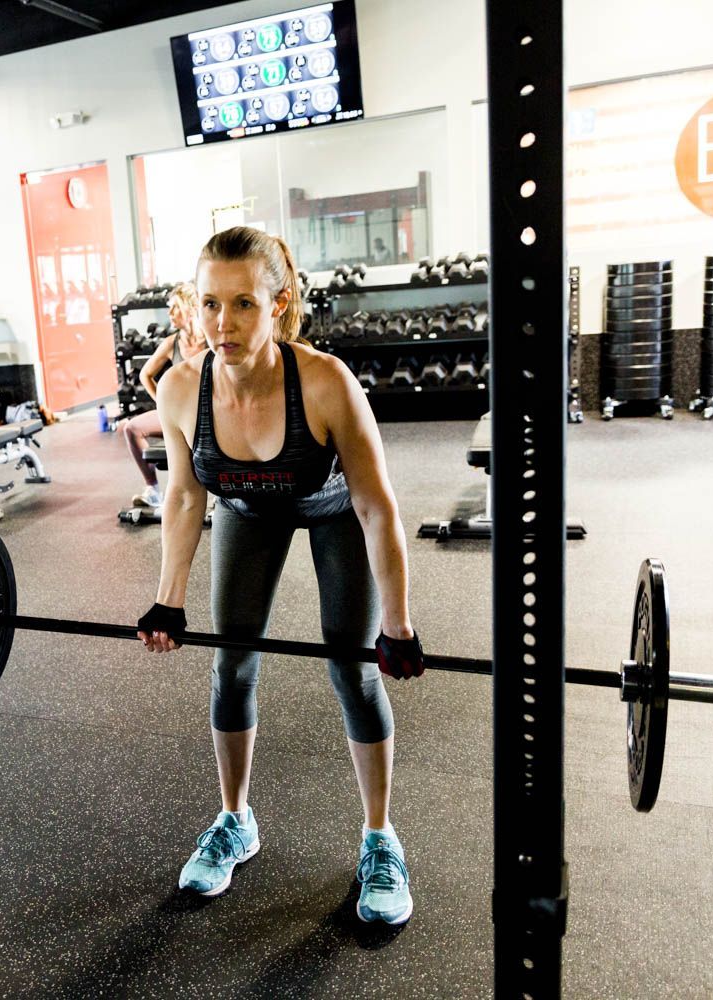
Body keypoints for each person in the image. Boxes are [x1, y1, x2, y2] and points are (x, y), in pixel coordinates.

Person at [135, 226, 425, 924]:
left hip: (331, 510)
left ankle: (380, 838)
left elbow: (376, 504)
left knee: (352, 667)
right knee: (231, 665)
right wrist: (167, 601)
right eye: (209, 304)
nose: (222, 324)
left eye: (242, 304)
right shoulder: (181, 389)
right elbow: (182, 497)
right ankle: (235, 819)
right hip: (245, 509)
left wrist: (398, 624)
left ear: (279, 304)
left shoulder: (324, 382)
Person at [118, 282, 206, 508]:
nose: (170, 313)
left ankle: (224, 498)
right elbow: (145, 375)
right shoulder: (171, 343)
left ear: (192, 307)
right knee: (132, 428)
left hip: (209, 413)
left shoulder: (211, 340)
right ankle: (153, 490)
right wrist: (163, 404)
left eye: (175, 307)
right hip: (178, 413)